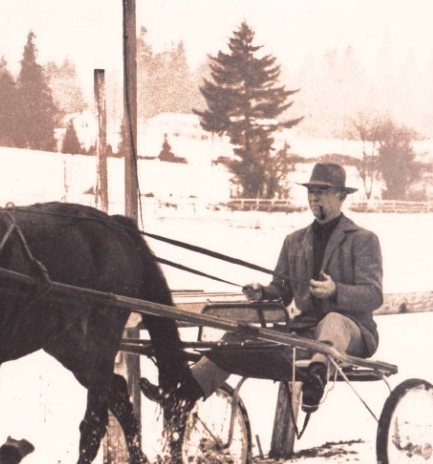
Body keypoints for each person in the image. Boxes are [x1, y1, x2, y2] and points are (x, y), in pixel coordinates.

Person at [141, 162, 383, 413]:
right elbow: (281, 288)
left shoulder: (363, 240)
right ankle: (183, 393)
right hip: (304, 334)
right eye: (311, 191)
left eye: (322, 191)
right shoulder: (295, 241)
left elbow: (374, 295)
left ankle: (316, 380)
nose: (314, 197)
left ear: (341, 196)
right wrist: (263, 292)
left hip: (352, 333)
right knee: (237, 339)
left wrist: (336, 291)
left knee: (333, 320)